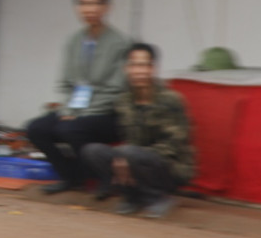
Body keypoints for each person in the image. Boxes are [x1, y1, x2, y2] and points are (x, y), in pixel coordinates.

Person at [26, 0, 131, 196]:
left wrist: (80, 114)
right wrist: (68, 110)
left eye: (95, 4)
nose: (89, 9)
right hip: (75, 110)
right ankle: (70, 177)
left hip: (108, 113)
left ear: (106, 7)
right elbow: (65, 84)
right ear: (77, 8)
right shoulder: (73, 41)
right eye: (83, 4)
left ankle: (104, 178)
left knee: (68, 129)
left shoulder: (121, 43)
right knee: (36, 128)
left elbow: (116, 90)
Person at [82, 43, 196, 218]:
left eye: (143, 65)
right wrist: (124, 157)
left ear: (153, 69)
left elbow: (176, 143)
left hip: (170, 166)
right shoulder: (123, 101)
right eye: (134, 65)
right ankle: (132, 196)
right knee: (92, 151)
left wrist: (132, 155)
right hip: (135, 159)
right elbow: (127, 137)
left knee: (129, 153)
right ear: (126, 69)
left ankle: (158, 198)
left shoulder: (171, 100)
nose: (139, 71)